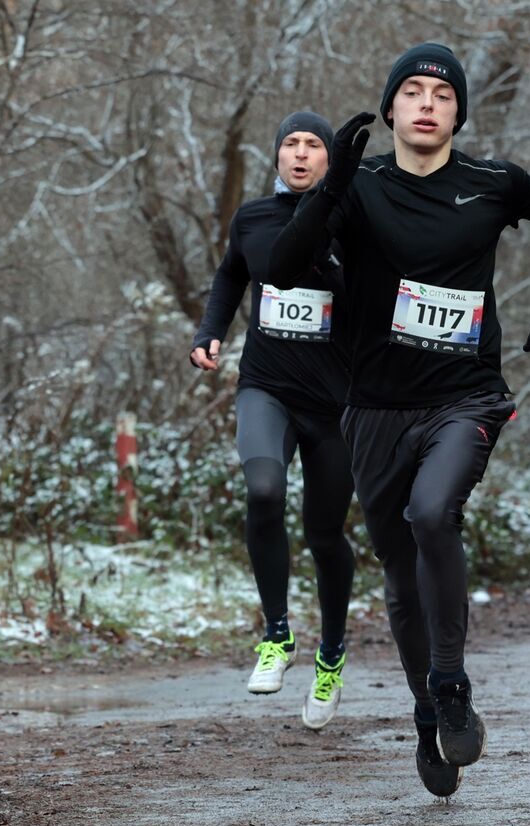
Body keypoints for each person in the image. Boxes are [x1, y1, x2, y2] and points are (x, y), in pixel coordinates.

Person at [268, 43, 530, 797]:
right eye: (412, 92)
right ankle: (425, 711)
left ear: (458, 113)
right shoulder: (358, 184)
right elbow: (281, 267)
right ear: (391, 108)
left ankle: (450, 684)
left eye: (442, 95)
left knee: (434, 512)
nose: (428, 104)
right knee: (400, 573)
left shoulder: (492, 183)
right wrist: (329, 188)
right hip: (374, 406)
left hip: (464, 397)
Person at [189, 111, 356, 730]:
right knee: (263, 490)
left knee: (324, 534)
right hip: (266, 387)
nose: (301, 154)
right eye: (291, 144)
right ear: (278, 155)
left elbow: (374, 297)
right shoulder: (254, 216)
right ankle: (277, 635)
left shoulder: (351, 220)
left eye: (314, 145)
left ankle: (331, 656)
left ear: (330, 160)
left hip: (335, 404)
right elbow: (232, 272)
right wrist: (210, 331)